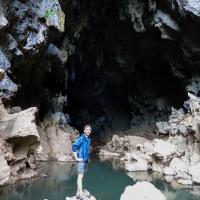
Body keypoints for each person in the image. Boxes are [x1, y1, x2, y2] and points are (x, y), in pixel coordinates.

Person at [72, 124, 92, 199]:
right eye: (87, 130)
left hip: (86, 160)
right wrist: (76, 158)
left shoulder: (88, 139)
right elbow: (74, 147)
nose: (88, 131)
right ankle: (81, 193)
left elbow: (86, 150)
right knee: (80, 176)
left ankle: (77, 193)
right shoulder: (81, 138)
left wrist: (88, 158)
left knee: (81, 176)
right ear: (84, 130)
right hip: (81, 161)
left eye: (89, 130)